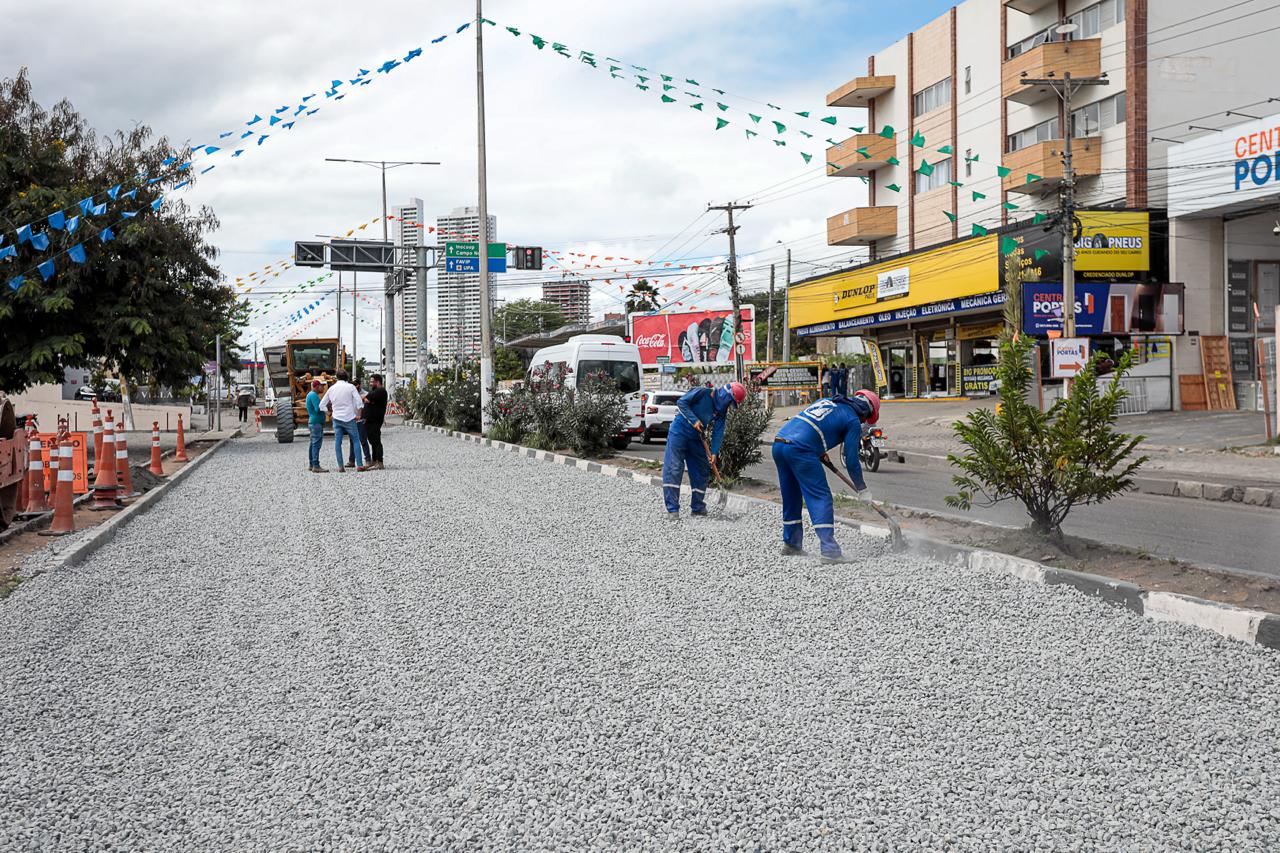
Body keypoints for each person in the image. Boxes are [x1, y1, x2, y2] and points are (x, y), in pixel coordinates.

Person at [771, 389, 880, 563]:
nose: (863, 422)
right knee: (820, 496)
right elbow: (852, 461)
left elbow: (814, 425)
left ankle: (792, 544)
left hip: (779, 444)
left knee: (791, 495)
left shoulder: (829, 401)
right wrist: (862, 489)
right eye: (865, 420)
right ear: (866, 412)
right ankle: (830, 551)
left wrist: (819, 451)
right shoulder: (852, 419)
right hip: (801, 448)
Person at [661, 381, 747, 520]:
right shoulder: (703, 393)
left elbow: (718, 432)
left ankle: (698, 507)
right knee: (674, 468)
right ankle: (672, 509)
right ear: (726, 396)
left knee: (701, 468)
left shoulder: (721, 411)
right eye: (731, 403)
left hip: (697, 437)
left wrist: (714, 452)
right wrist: (694, 420)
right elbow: (682, 403)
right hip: (679, 433)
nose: (729, 407)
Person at [320, 369, 364, 472]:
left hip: (337, 418)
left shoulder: (332, 389)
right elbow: (359, 402)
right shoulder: (351, 387)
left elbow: (321, 405)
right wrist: (359, 415)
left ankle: (340, 466)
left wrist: (328, 413)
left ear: (337, 377)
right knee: (356, 440)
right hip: (349, 418)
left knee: (338, 442)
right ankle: (360, 465)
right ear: (347, 377)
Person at [358, 374, 389, 470]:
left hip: (375, 420)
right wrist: (368, 400)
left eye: (372, 381)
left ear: (377, 382)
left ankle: (379, 461)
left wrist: (368, 400)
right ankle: (374, 460)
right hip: (370, 420)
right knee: (372, 440)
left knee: (376, 441)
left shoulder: (381, 391)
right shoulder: (375, 391)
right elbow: (367, 399)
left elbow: (366, 397)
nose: (371, 383)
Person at [306, 379, 327, 473]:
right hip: (316, 423)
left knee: (313, 443)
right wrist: (327, 406)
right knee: (316, 444)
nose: (323, 387)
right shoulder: (314, 395)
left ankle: (311, 464)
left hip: (313, 422)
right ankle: (316, 465)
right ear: (316, 386)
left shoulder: (310, 395)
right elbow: (318, 408)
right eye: (321, 386)